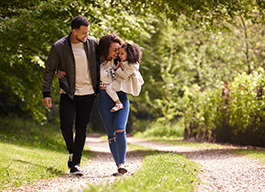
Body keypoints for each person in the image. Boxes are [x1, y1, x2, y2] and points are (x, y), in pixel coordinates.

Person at [42, 16, 98, 176]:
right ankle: (72, 151)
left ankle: (76, 164)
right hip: (68, 92)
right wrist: (46, 92)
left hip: (88, 92)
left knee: (82, 128)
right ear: (74, 31)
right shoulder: (59, 47)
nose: (86, 36)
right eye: (83, 33)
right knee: (65, 126)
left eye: (88, 32)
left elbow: (104, 59)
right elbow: (48, 70)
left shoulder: (92, 43)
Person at [97, 33, 130, 176]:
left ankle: (122, 164)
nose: (117, 52)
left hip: (121, 96)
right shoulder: (96, 62)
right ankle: (118, 166)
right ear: (106, 49)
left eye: (119, 49)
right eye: (114, 49)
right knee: (111, 135)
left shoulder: (123, 60)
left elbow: (134, 64)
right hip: (104, 98)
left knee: (119, 129)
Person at [106, 42, 144, 112]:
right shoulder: (126, 62)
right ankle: (118, 103)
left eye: (122, 54)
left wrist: (118, 69)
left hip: (126, 82)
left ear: (129, 54)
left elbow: (124, 75)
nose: (119, 55)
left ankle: (118, 103)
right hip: (122, 81)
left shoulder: (132, 65)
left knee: (109, 88)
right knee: (109, 88)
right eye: (119, 53)